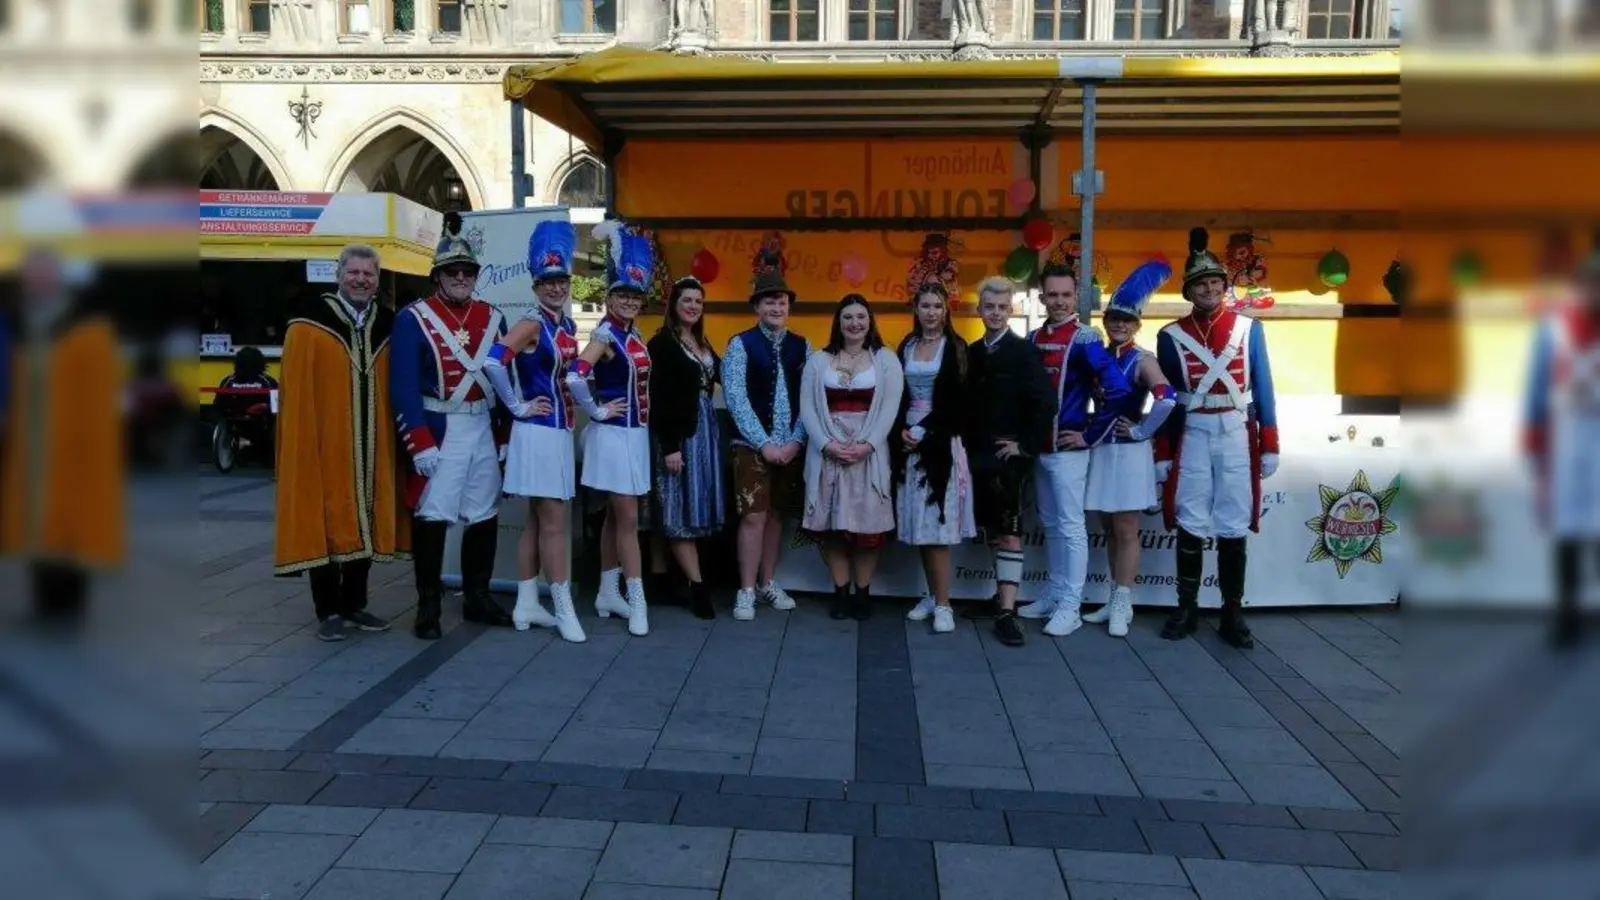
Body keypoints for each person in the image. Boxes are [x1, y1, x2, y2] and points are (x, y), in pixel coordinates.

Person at [1154, 228, 1281, 648]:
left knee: (1233, 518)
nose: (1209, 289)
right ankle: (1187, 607)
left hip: (1234, 429)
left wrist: (1270, 441)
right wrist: (1164, 450)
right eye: (1201, 284)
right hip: (1192, 431)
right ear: (1189, 290)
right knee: (1190, 516)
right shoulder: (1171, 335)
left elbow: (1263, 387)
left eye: (1215, 282)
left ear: (1223, 287)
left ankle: (1232, 611)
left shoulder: (1249, 328)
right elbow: (1169, 397)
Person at [391, 213, 515, 640]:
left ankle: (477, 595)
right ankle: (428, 604)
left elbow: (504, 383)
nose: (461, 277)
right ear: (438, 276)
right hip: (439, 428)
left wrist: (503, 435)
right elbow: (404, 385)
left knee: (484, 511)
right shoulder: (413, 318)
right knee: (432, 514)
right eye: (452, 271)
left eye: (468, 271)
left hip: (481, 425)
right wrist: (419, 441)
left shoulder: (493, 317)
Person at [273, 244, 406, 641]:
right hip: (326, 441)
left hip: (373, 442)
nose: (361, 279)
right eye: (354, 272)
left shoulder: (388, 323)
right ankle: (327, 610)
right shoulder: (308, 324)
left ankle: (355, 604)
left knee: (367, 515)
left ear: (377, 280)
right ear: (339, 274)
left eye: (369, 274)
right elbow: (297, 394)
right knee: (327, 517)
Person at [1, 247, 124, 627]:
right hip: (33, 443)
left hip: (73, 443)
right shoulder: (26, 324)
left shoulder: (83, 324)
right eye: (31, 276)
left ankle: (69, 605)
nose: (37, 282)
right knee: (36, 524)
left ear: (57, 277)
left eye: (43, 274)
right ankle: (44, 605)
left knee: (72, 523)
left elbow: (99, 391)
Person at [482, 219, 586, 643]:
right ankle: (563, 608)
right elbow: (492, 362)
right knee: (555, 521)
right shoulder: (531, 323)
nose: (556, 288)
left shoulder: (564, 327)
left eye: (561, 280)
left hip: (556, 432)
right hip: (539, 432)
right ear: (535, 284)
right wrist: (517, 406)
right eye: (548, 281)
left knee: (536, 521)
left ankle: (527, 602)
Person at [1026, 265, 1133, 638]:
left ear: (1076, 297)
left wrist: (1090, 436)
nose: (1058, 301)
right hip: (1038, 449)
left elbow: (1119, 390)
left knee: (1071, 527)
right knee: (1052, 524)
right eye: (1051, 295)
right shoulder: (1034, 336)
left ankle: (1072, 604)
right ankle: (1056, 593)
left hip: (1069, 450)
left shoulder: (1086, 339)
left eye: (1065, 295)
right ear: (1041, 298)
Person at [567, 221, 656, 637]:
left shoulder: (633, 334)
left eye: (635, 295)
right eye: (622, 294)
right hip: (614, 434)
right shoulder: (604, 333)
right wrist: (597, 411)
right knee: (627, 519)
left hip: (634, 436)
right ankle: (636, 599)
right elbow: (574, 375)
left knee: (612, 519)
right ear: (609, 296)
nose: (629, 301)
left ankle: (606, 591)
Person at [1081, 260, 1178, 638]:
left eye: (1126, 320)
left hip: (1127, 453)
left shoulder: (1143, 359)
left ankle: (1124, 602)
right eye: (1113, 319)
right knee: (1108, 526)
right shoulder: (1103, 357)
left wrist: (1142, 432)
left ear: (1137, 325)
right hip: (1102, 449)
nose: (1118, 325)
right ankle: (1112, 597)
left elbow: (1167, 399)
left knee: (1125, 528)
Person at [799, 295, 906, 621]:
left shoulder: (885, 360)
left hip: (867, 456)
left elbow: (890, 407)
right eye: (848, 317)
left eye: (861, 317)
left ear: (870, 321)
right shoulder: (819, 361)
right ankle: (841, 592)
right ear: (838, 322)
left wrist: (869, 444)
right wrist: (826, 444)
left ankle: (863, 592)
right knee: (833, 529)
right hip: (829, 454)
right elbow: (807, 409)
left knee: (867, 531)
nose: (855, 323)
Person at [965, 277, 1053, 647]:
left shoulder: (1023, 351)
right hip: (976, 454)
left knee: (1010, 530)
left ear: (1011, 310)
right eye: (990, 307)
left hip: (1006, 458)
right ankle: (998, 598)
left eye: (1003, 308)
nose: (996, 313)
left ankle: (1008, 611)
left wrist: (1025, 446)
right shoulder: (971, 351)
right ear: (980, 309)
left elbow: (1045, 403)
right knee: (991, 528)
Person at [1524, 231, 1600, 646]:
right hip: (1568, 440)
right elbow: (1537, 389)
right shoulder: (1555, 328)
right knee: (1568, 528)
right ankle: (1567, 611)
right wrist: (1534, 443)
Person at [722, 268, 809, 621]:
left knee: (776, 517)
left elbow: (809, 400)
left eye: (782, 301)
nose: (776, 307)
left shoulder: (803, 345)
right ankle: (745, 590)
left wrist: (796, 441)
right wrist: (763, 443)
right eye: (769, 301)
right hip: (751, 446)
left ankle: (767, 582)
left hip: (790, 446)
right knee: (753, 517)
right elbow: (736, 398)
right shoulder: (740, 344)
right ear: (757, 306)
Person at [894, 283, 977, 635]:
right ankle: (931, 595)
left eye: (937, 306)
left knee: (938, 529)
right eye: (925, 305)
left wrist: (923, 431)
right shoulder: (907, 346)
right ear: (916, 309)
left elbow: (959, 403)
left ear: (946, 310)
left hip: (940, 443)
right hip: (909, 444)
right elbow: (897, 395)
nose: (931, 312)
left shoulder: (955, 347)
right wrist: (901, 430)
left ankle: (945, 605)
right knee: (922, 527)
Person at [647, 276, 726, 620]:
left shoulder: (701, 341)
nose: (693, 306)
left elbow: (723, 377)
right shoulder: (663, 344)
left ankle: (666, 579)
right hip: (680, 435)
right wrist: (669, 446)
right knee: (677, 508)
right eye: (687, 300)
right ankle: (698, 587)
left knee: (695, 507)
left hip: (705, 431)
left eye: (698, 301)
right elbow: (659, 399)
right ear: (674, 306)